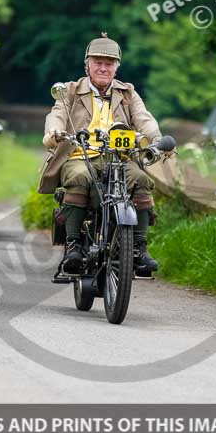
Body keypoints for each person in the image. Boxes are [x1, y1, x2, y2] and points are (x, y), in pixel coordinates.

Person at [38, 33, 162, 274]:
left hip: (119, 157)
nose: (103, 68)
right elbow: (57, 114)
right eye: (98, 63)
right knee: (79, 177)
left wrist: (155, 139)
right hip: (80, 155)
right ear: (88, 65)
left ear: (116, 67)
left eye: (109, 63)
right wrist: (54, 132)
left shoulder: (127, 93)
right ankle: (73, 245)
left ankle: (139, 249)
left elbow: (144, 118)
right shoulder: (71, 91)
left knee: (141, 179)